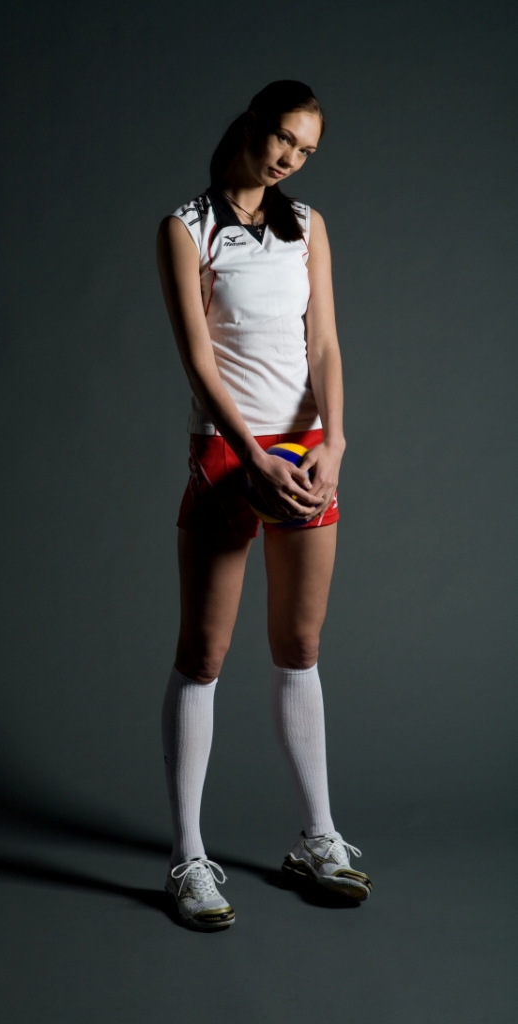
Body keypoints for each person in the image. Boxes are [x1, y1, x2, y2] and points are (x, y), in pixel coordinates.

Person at [156, 81, 372, 931]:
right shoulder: (187, 228)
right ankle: (188, 859)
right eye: (283, 138)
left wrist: (335, 441)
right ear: (251, 124)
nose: (289, 159)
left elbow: (324, 341)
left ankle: (316, 838)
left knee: (300, 646)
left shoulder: (307, 225)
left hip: (306, 449)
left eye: (306, 151)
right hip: (228, 450)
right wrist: (247, 455)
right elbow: (197, 358)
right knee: (203, 653)